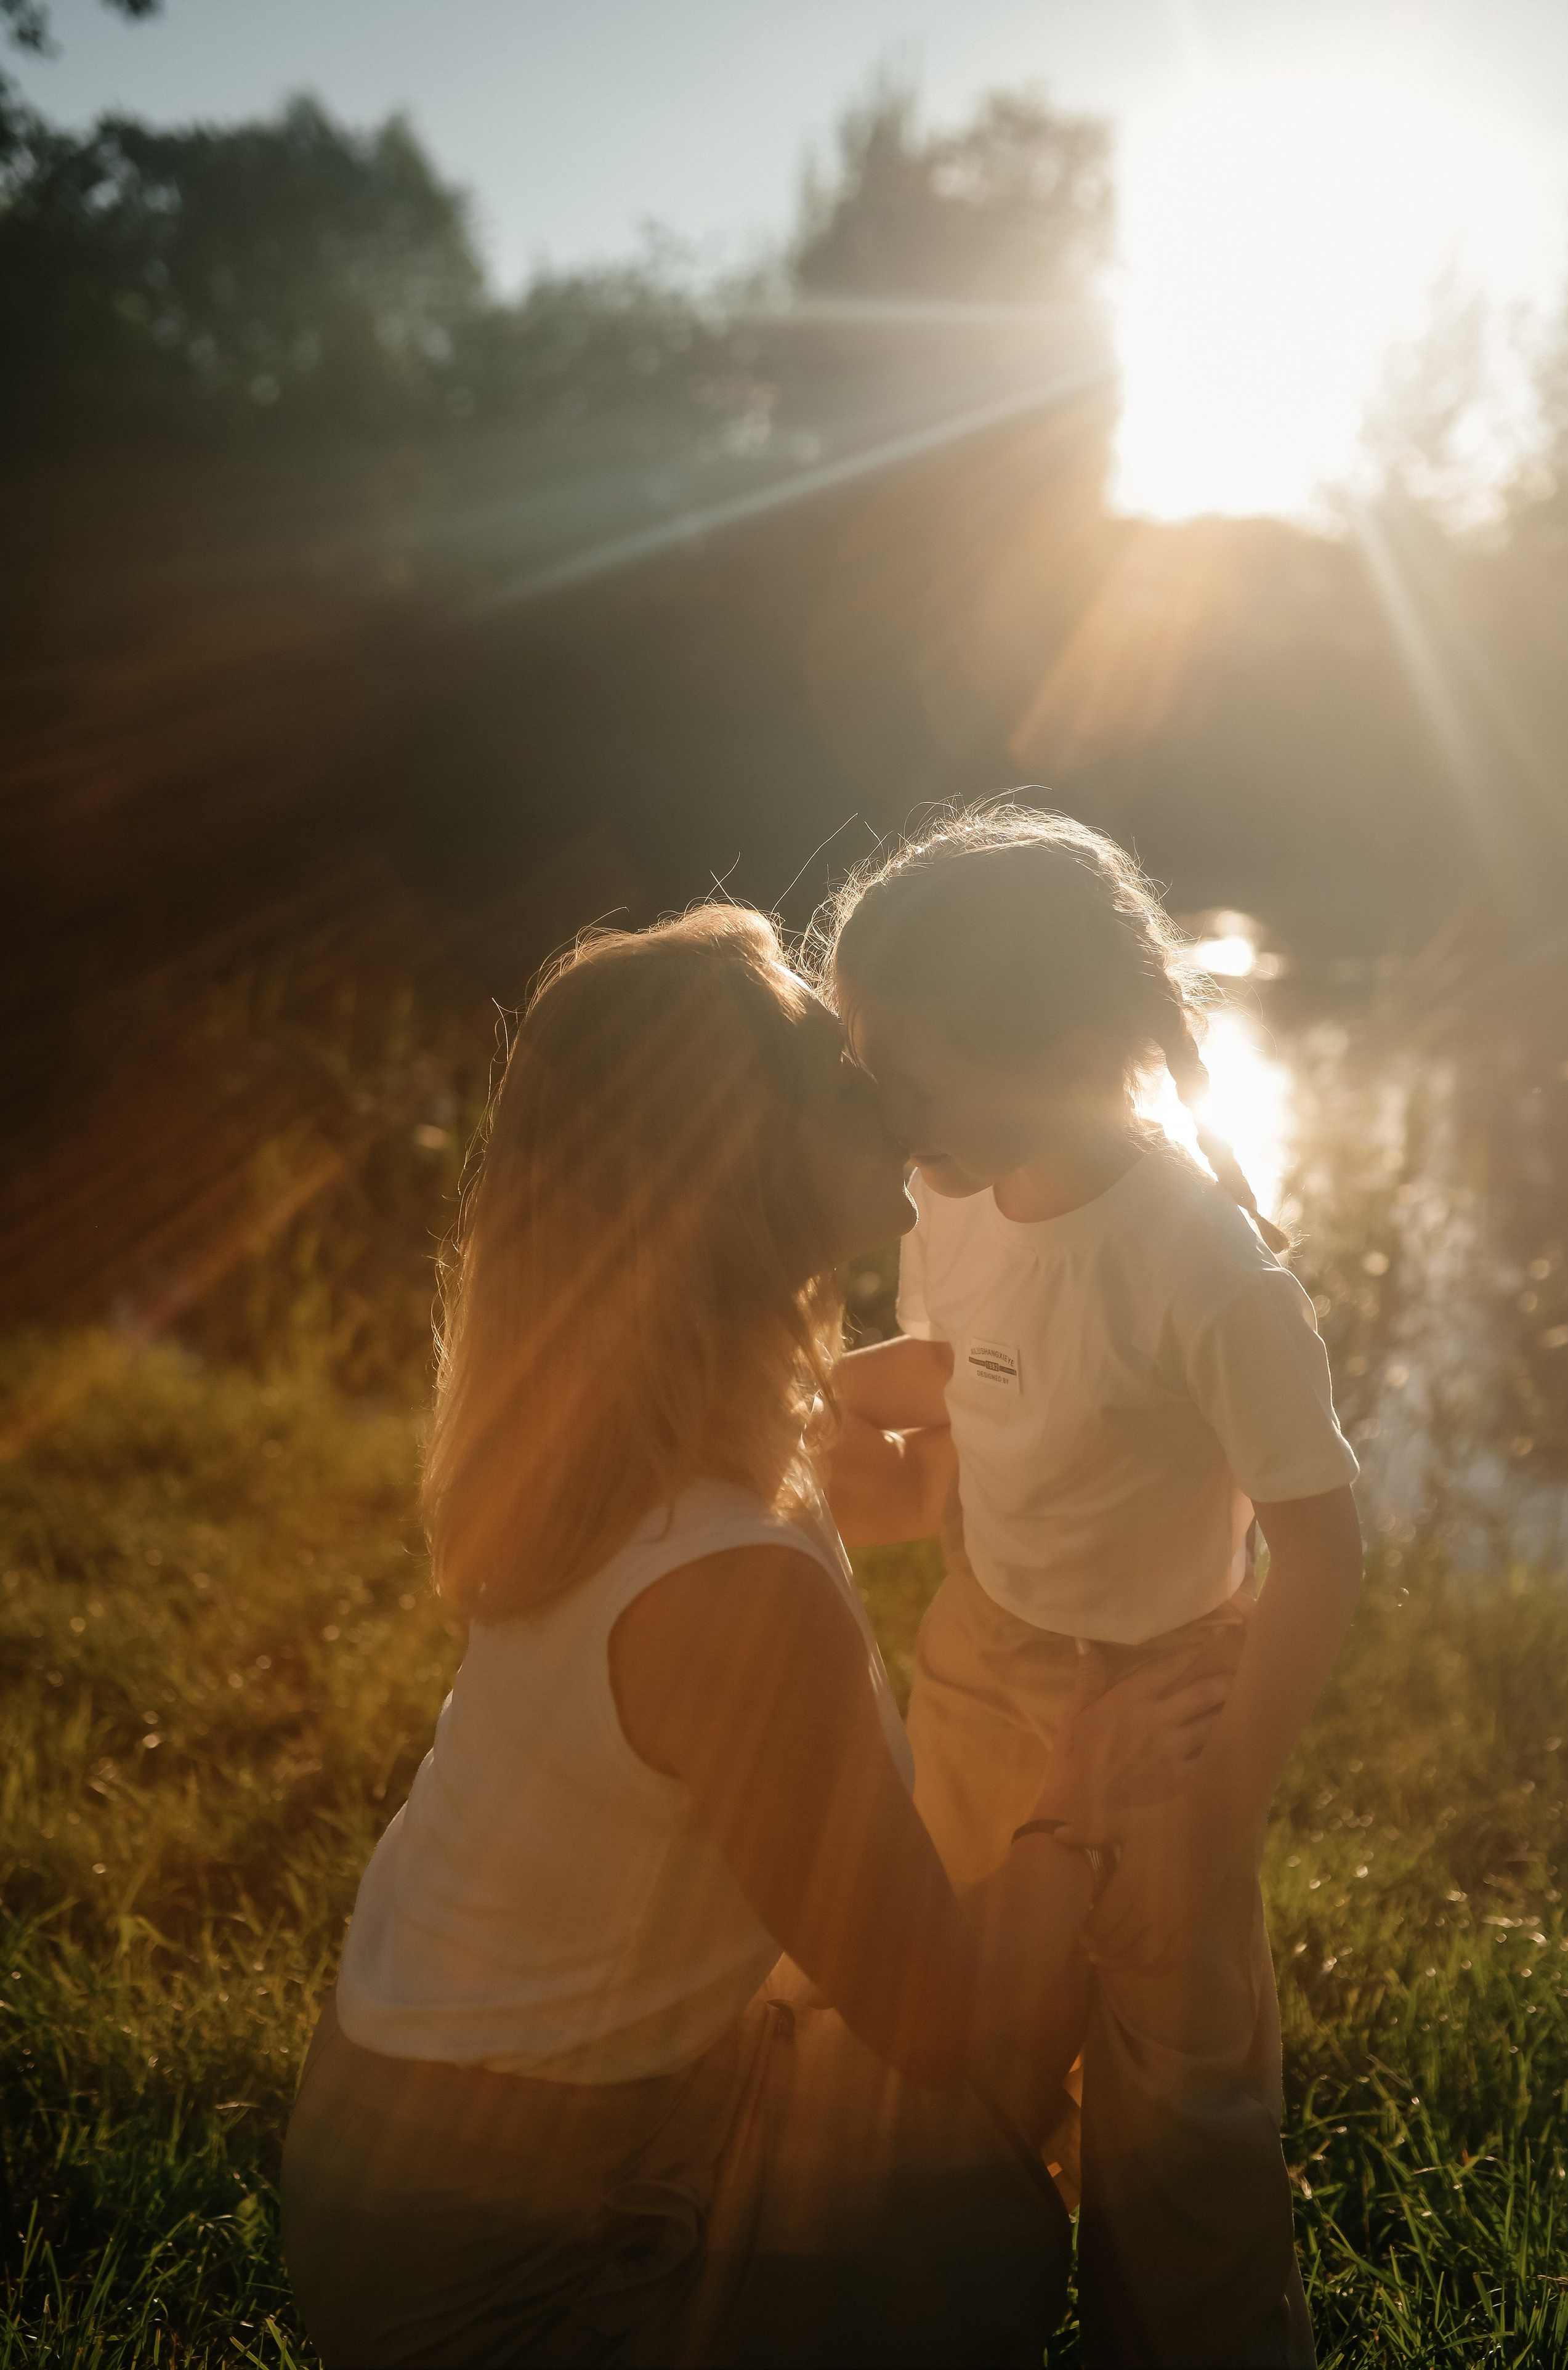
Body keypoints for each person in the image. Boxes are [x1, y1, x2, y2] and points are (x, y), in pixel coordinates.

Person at [279, 905, 1230, 2370]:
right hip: (492, 2283)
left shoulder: (656, 1435)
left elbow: (966, 1440)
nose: (871, 1070)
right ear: (728, 1167)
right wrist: (1081, 1801)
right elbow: (938, 2013)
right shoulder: (726, 1588)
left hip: (421, 2158)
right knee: (981, 2230)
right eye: (819, 1058)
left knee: (910, 2132)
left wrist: (1134, 1318)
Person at [817, 804, 1364, 2370]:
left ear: (1069, 1044)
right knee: (968, 2036)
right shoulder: (949, 1190)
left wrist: (1213, 1813)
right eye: (866, 1065)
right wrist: (843, 1438)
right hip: (980, 1664)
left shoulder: (1206, 1267)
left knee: (1172, 2111)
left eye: (908, 1073)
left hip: (1161, 1706)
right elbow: (982, 1402)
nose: (878, 1106)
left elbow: (1319, 1547)